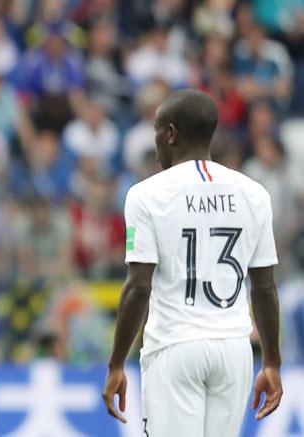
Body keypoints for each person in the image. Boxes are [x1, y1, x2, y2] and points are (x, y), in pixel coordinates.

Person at [102, 89, 282, 436]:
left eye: (156, 132)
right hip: (234, 349)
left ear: (170, 133)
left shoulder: (146, 195)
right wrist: (272, 361)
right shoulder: (254, 193)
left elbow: (138, 287)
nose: (156, 146)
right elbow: (264, 286)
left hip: (175, 346)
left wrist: (116, 364)